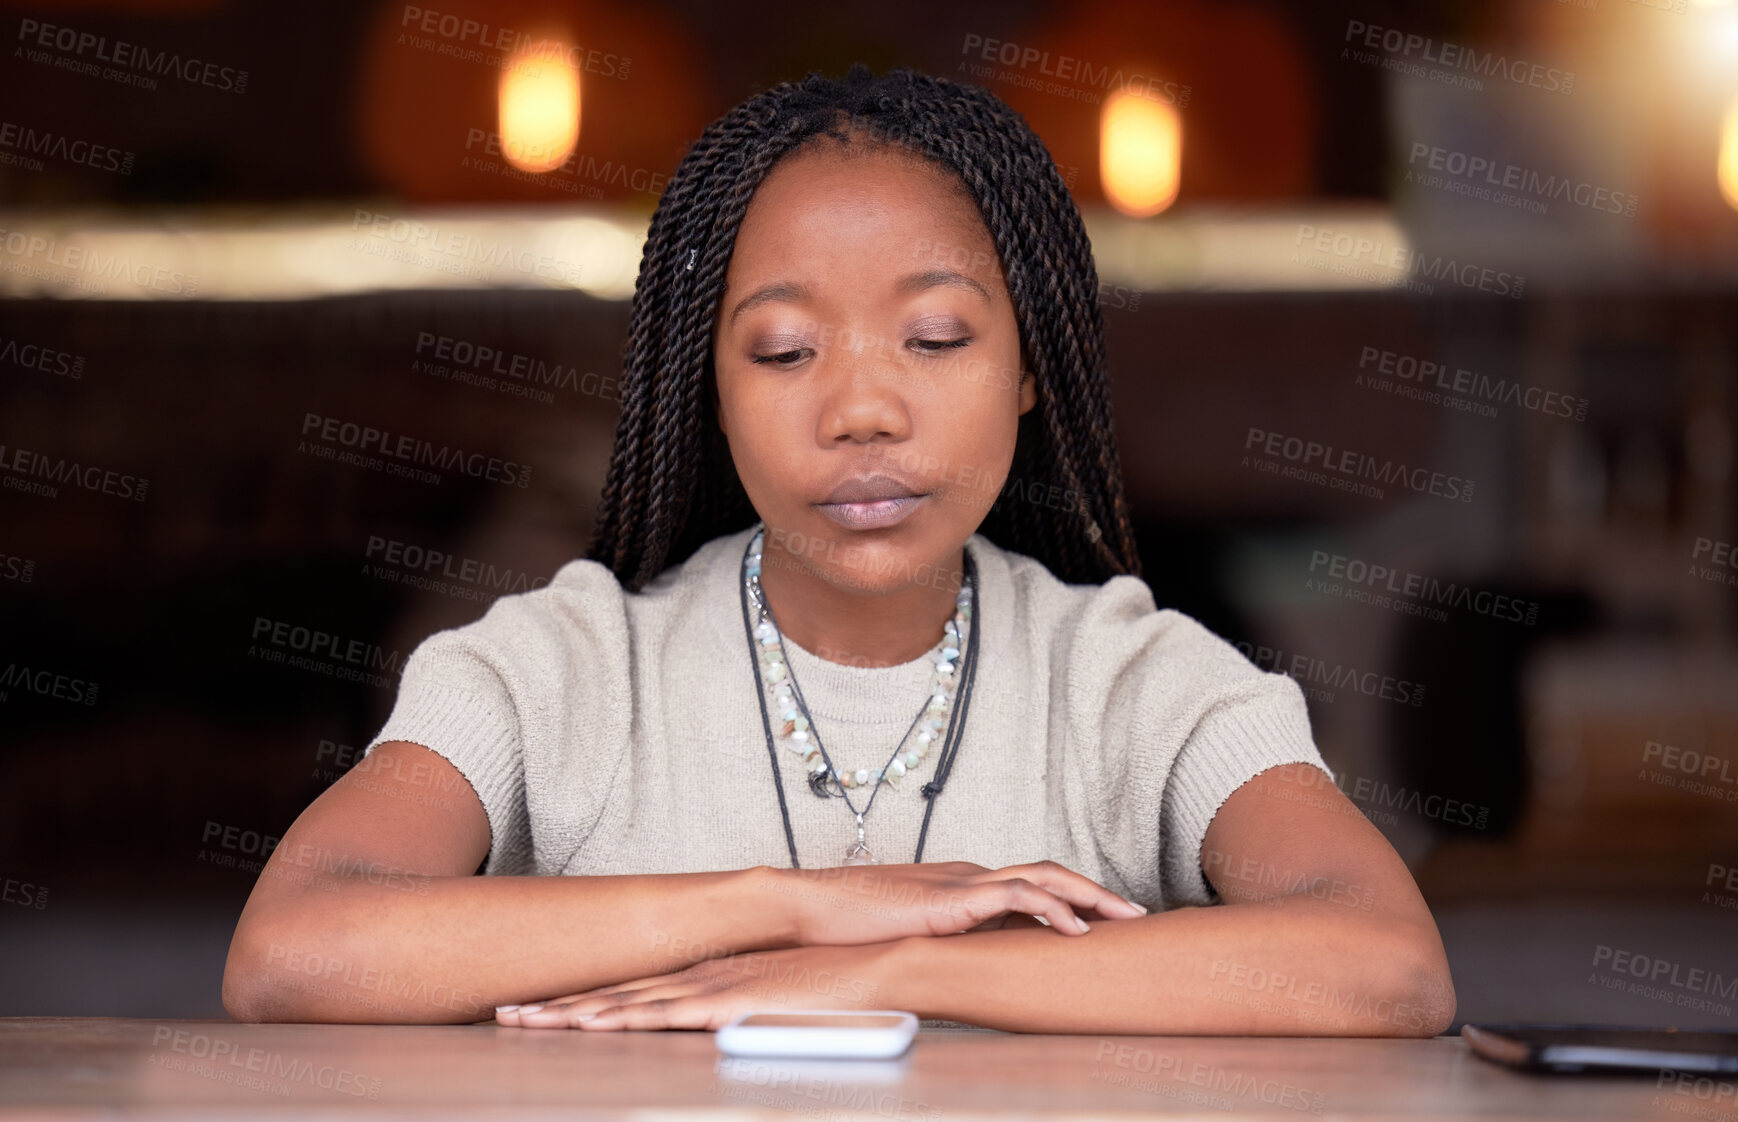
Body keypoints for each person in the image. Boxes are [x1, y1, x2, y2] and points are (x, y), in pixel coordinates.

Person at [222, 66, 1456, 1035]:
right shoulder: (557, 667)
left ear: (1028, 368)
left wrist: (890, 972)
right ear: (705, 389)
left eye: (933, 338)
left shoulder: (1137, 683)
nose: (862, 409)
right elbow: (292, 952)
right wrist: (785, 908)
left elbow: (1385, 966)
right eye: (781, 350)